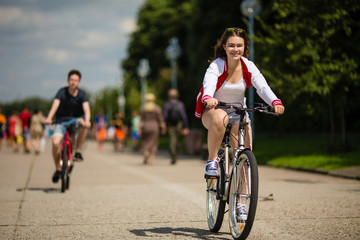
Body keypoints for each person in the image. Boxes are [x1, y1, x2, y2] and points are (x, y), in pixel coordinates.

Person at [195, 27, 285, 177]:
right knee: (220, 117)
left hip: (238, 114)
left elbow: (262, 86)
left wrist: (275, 102)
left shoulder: (248, 66)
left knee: (245, 157)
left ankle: (242, 198)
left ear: (244, 47)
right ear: (224, 47)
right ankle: (212, 161)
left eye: (239, 46)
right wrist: (208, 98)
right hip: (213, 112)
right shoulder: (217, 65)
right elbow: (209, 83)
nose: (235, 49)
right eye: (231, 45)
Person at [45, 69, 91, 183]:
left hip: (75, 120)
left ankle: (78, 152)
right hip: (61, 121)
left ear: (79, 82)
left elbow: (86, 109)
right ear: (68, 80)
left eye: (76, 80)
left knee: (83, 125)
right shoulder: (61, 92)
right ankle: (58, 168)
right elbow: (54, 106)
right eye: (71, 80)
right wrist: (49, 118)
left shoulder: (82, 94)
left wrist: (87, 120)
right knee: (55, 142)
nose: (73, 82)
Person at [163, 89, 189, 164]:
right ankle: (176, 155)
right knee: (177, 140)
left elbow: (165, 116)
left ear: (169, 96)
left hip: (170, 125)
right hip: (179, 124)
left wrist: (164, 125)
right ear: (177, 96)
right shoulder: (180, 104)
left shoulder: (167, 104)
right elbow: (184, 116)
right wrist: (185, 127)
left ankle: (173, 156)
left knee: (171, 140)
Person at [138, 93, 166, 165]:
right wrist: (163, 128)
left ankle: (146, 152)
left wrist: (139, 130)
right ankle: (151, 159)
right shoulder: (157, 108)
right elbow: (160, 120)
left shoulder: (143, 109)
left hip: (145, 127)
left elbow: (141, 121)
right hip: (154, 127)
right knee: (154, 143)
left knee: (146, 141)